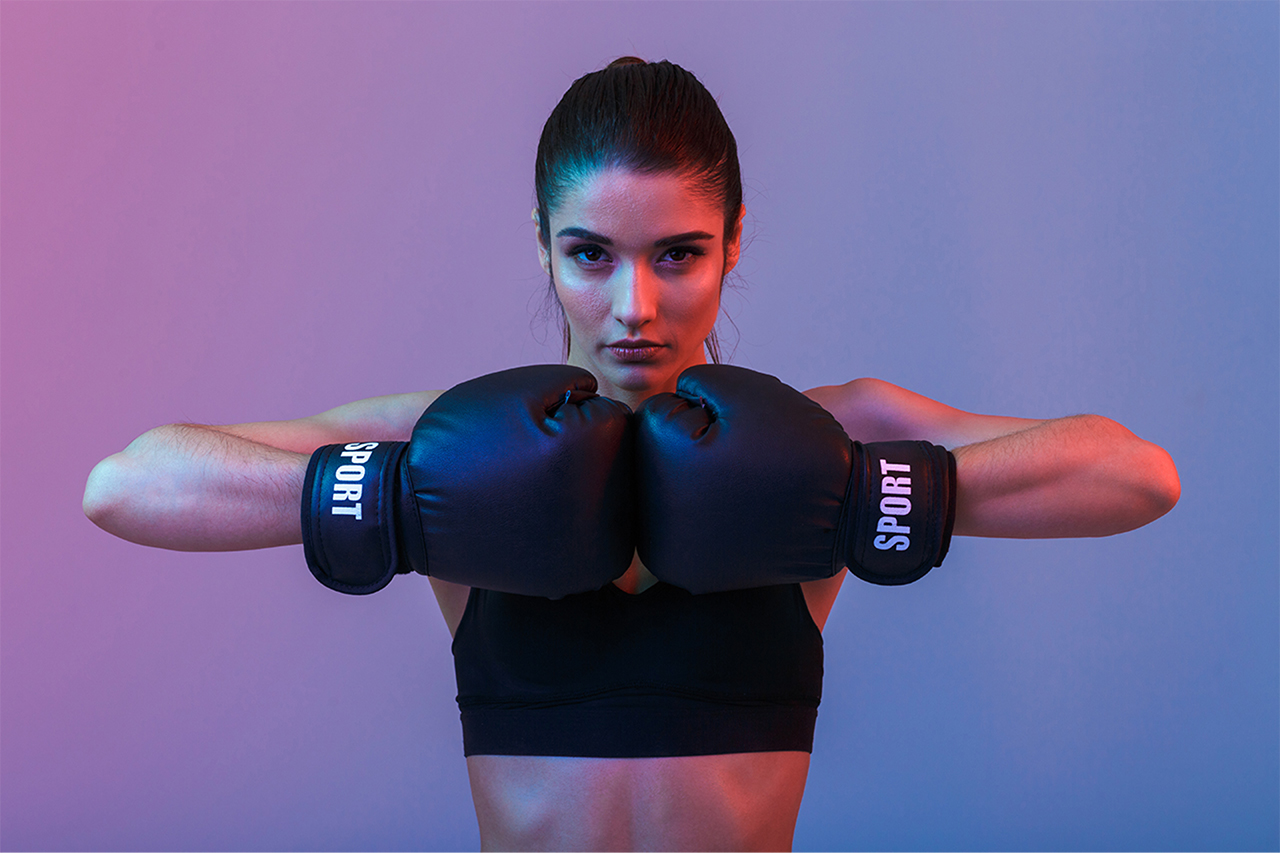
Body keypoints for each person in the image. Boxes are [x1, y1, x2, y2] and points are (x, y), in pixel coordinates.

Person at [82, 58, 1181, 851]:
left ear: (733, 241)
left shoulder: (823, 433)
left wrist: (852, 491)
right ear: (543, 249)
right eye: (591, 254)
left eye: (679, 254)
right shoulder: (453, 443)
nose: (634, 307)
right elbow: (126, 485)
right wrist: (409, 505)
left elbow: (1135, 474)